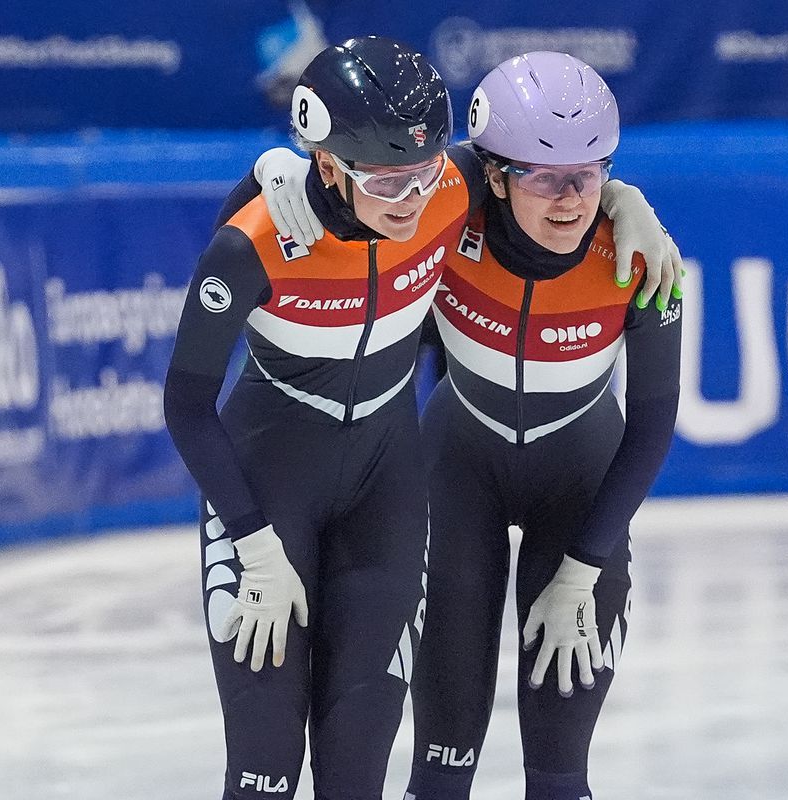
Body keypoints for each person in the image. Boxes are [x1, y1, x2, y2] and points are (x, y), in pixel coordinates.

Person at [167, 36, 679, 800]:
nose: (411, 201)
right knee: (267, 774)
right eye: (388, 183)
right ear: (333, 165)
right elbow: (185, 401)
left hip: (398, 479)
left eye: (423, 176)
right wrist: (269, 170)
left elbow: (539, 167)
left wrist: (626, 197)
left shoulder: (467, 195)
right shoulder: (280, 237)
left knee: (369, 772)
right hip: (290, 478)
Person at [404, 53, 683, 800]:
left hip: (581, 493)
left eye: (587, 175)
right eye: (540, 176)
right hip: (456, 477)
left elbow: (654, 423)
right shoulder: (445, 208)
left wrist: (585, 567)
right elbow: (372, 184)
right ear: (494, 175)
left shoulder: (640, 261)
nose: (567, 200)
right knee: (439, 773)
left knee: (559, 780)